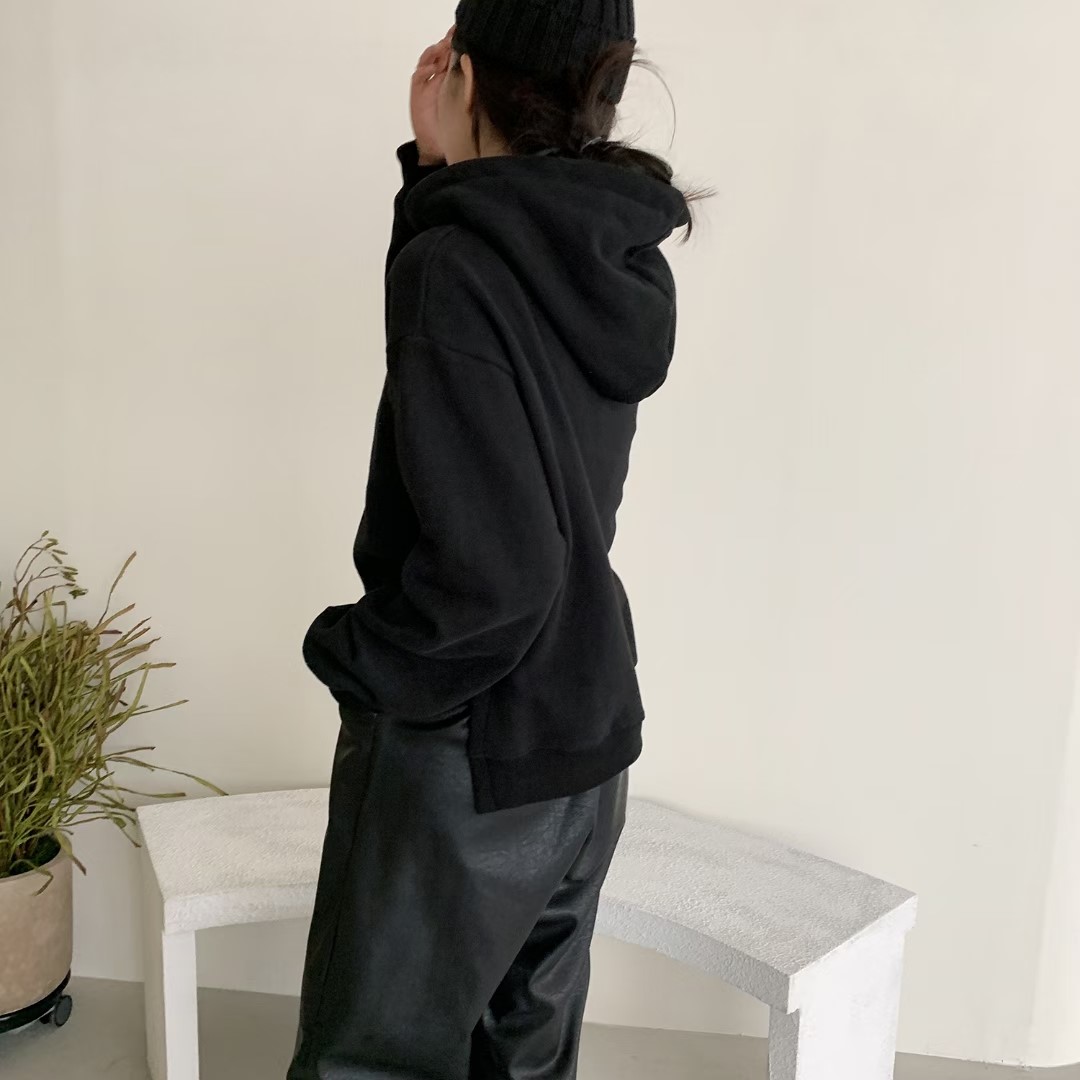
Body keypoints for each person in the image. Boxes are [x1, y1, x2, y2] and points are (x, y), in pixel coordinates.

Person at [288, 1, 694, 1076]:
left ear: (464, 76)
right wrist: (433, 176)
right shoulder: (612, 256)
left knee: (368, 1065)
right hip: (585, 740)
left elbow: (497, 574)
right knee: (523, 1063)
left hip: (462, 755)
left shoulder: (457, 266)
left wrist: (359, 658)